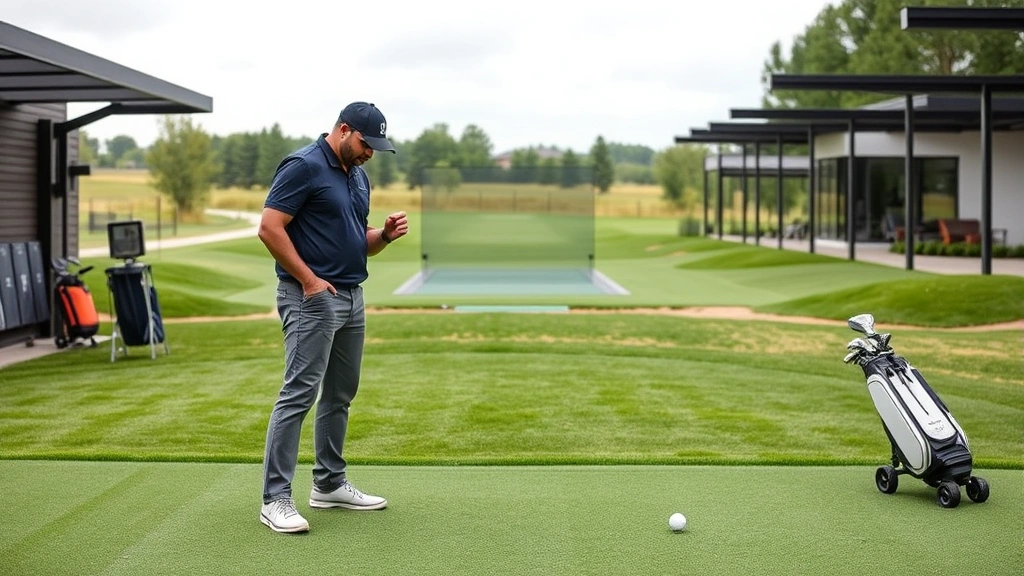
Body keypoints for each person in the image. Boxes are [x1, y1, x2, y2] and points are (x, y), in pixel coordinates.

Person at [257, 102, 408, 534]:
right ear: (343, 131)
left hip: (352, 297)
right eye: (365, 143)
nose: (369, 154)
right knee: (299, 393)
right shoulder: (303, 166)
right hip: (311, 298)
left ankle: (328, 484)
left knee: (341, 393)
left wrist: (383, 236)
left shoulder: (358, 176)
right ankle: (275, 499)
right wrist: (307, 280)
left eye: (376, 148)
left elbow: (356, 240)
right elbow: (270, 226)